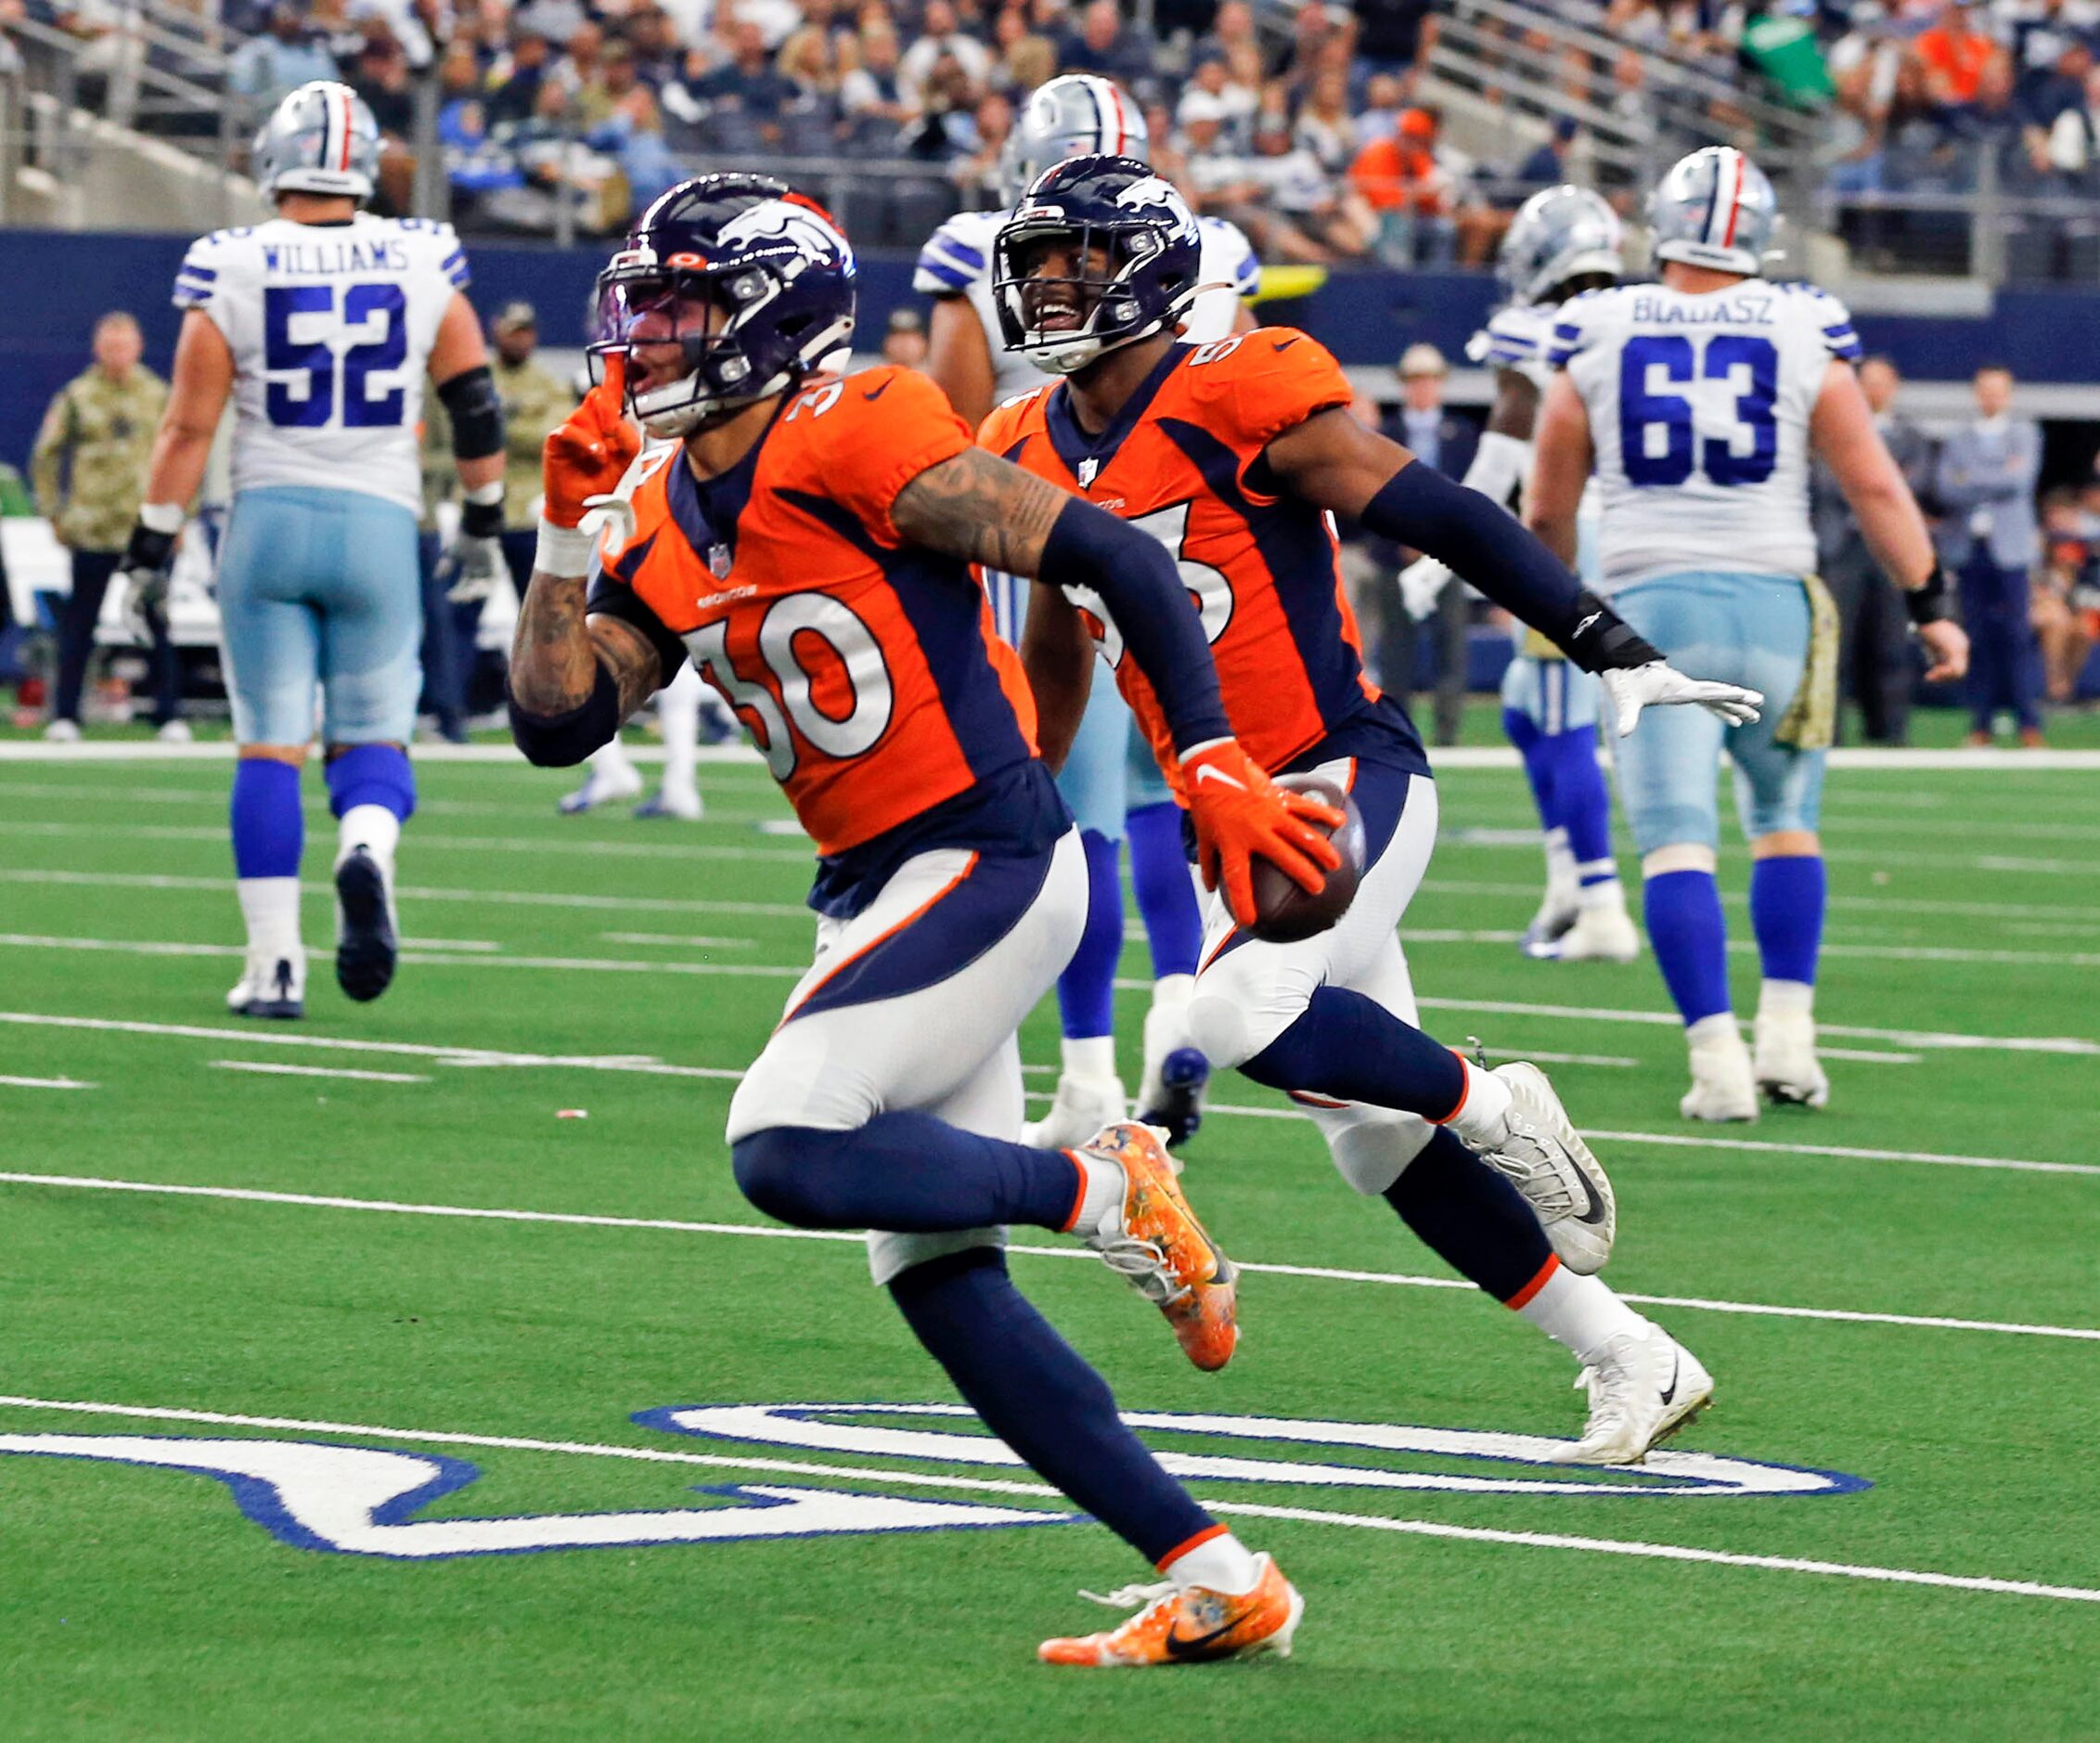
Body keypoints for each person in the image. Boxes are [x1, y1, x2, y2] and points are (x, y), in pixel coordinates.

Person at [509, 174, 1333, 1666]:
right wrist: (560, 532)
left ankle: (1101, 1186)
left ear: (767, 319)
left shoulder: (857, 422)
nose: (643, 337)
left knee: (783, 1140)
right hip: (879, 883)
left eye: (682, 307)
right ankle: (1216, 1571)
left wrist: (1206, 752)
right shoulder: (659, 502)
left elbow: (1121, 555)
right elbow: (557, 725)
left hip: (987, 853)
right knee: (938, 1275)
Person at [986, 154, 1762, 1478]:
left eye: (1082, 258)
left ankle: (1489, 1092)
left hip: (1342, 771)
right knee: (1369, 1145)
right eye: (1039, 261)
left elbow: (1441, 510)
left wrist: (1606, 645)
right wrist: (1031, 790)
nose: (1053, 286)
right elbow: (1058, 642)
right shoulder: (1015, 445)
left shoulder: (1239, 387)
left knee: (1222, 1014)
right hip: (1223, 817)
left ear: (1154, 267)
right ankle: (1632, 1354)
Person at [1527, 147, 1968, 1121]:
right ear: (1757, 238)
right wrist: (1929, 602)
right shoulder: (1801, 320)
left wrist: (1552, 607)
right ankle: (1790, 1040)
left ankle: (1717, 1062)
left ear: (1660, 222)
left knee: (1678, 843)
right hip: (1776, 602)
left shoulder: (1596, 324)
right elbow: (1872, 483)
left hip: (1647, 609)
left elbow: (1549, 502)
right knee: (1783, 821)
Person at [915, 75, 1262, 1149]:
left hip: (1056, 553)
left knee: (1080, 816)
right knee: (1175, 794)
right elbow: (1240, 408)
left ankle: (1084, 1076)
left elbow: (959, 432)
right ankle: (1179, 1009)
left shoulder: (983, 246)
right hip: (1199, 560)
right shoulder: (1205, 248)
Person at [117, 82, 508, 1020]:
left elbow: (184, 428)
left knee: (268, 747)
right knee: (374, 735)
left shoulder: (232, 262)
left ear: (272, 160)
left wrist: (147, 548)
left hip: (270, 519)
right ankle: (366, 846)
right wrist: (487, 516)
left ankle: (274, 966)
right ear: (366, 164)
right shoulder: (421, 254)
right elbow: (474, 399)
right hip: (379, 519)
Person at [1401, 186, 1640, 962]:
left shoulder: (1530, 329)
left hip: (1569, 530)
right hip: (1634, 532)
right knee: (1523, 711)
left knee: (1562, 716)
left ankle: (1599, 898)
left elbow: (1503, 460)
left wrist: (1440, 561)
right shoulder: (1638, 316)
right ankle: (1569, 880)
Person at [31, 311, 182, 742]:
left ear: (138, 347)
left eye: (125, 346)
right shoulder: (78, 396)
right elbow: (45, 454)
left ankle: (168, 715)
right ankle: (66, 716)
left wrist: (180, 513)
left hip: (145, 525)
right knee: (80, 623)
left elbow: (183, 447)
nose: (117, 355)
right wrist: (54, 512)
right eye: (110, 346)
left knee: (154, 620)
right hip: (93, 527)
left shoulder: (157, 394)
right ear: (98, 349)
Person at [1811, 354, 1934, 744]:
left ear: (1893, 386)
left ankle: (1891, 732)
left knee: (1891, 644)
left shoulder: (1911, 437)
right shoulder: (1832, 429)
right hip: (1842, 547)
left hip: (1888, 550)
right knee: (1837, 645)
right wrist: (1872, 491)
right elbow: (1830, 482)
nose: (1875, 390)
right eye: (1869, 382)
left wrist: (1870, 488)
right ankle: (1829, 732)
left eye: (1883, 382)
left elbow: (1915, 486)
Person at [1937, 365, 2044, 745]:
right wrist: (1996, 474)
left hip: (2010, 551)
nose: (1991, 397)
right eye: (1985, 390)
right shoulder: (1959, 437)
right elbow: (1946, 487)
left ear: (2009, 395)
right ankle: (1980, 723)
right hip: (1970, 549)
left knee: (2016, 636)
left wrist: (1973, 477)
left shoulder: (2025, 432)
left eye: (1999, 391)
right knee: (1975, 637)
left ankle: (2029, 722)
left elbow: (2019, 481)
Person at [1377, 341, 1475, 749]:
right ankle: (1400, 732)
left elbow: (1470, 493)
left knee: (1450, 649)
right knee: (1397, 651)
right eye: (1416, 380)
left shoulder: (1462, 434)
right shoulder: (1385, 433)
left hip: (1447, 555)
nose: (1422, 388)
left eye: (1428, 380)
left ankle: (1447, 733)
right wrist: (1403, 537)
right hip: (1396, 555)